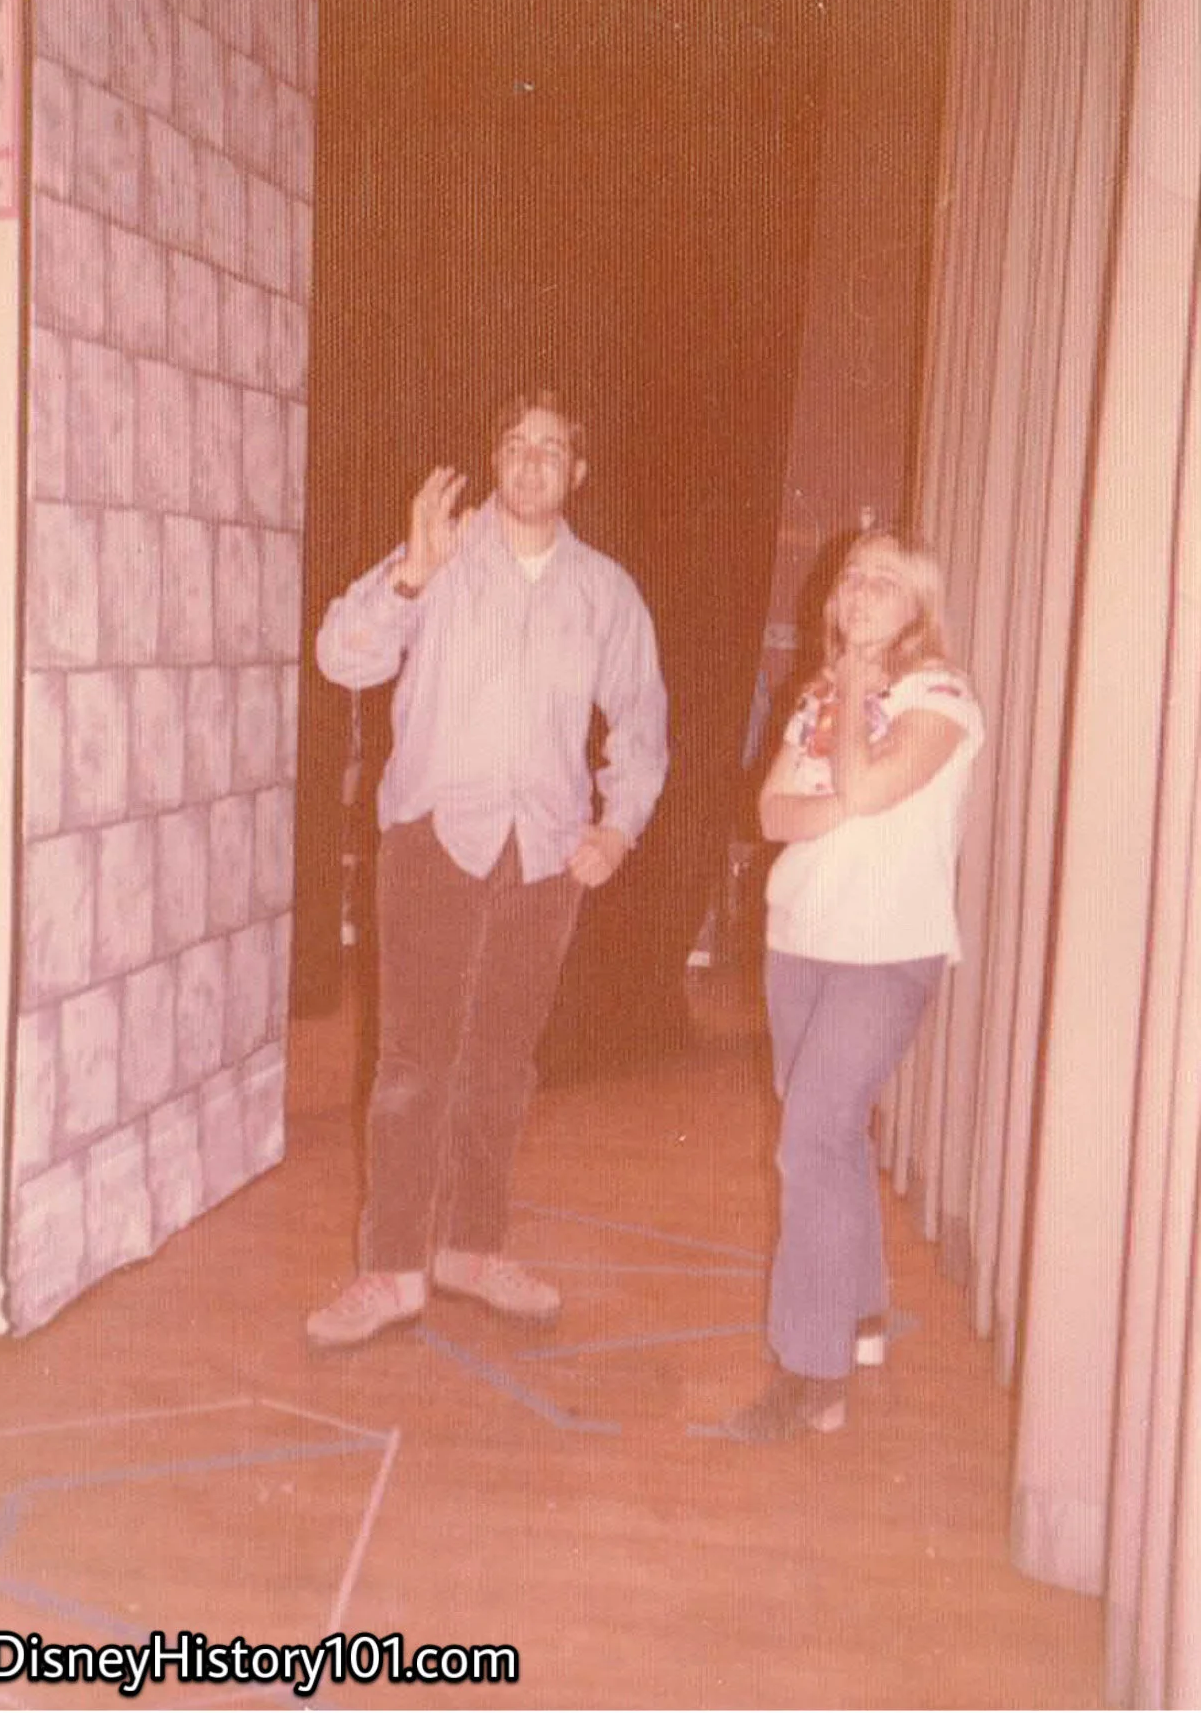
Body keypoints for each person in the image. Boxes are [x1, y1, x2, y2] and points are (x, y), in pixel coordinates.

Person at [306, 391, 669, 1347]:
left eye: (553, 449)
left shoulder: (607, 594)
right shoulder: (440, 560)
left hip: (546, 855)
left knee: (501, 1066)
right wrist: (410, 578)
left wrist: (618, 827)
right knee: (412, 1066)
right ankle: (390, 1269)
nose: (532, 461)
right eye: (515, 444)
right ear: (496, 459)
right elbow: (341, 657)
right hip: (431, 838)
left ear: (577, 474)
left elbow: (643, 724)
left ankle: (470, 1247)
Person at [725, 532, 983, 1438]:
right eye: (853, 579)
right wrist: (838, 741)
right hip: (799, 939)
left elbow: (868, 792)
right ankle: (862, 1310)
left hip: (888, 950)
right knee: (829, 1136)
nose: (863, 591)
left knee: (813, 1138)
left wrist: (859, 703)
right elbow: (770, 812)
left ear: (917, 604)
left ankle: (812, 1370)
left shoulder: (942, 698)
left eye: (885, 581)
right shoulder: (819, 695)